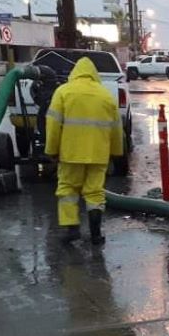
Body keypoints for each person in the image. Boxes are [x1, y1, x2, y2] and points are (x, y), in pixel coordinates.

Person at [45, 57, 123, 245]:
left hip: (70, 153)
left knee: (68, 189)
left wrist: (51, 151)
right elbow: (116, 128)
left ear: (75, 73)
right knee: (95, 192)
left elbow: (53, 125)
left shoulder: (63, 92)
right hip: (98, 154)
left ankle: (72, 229)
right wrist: (116, 152)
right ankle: (95, 233)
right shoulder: (106, 96)